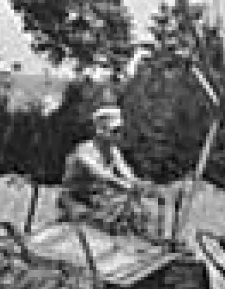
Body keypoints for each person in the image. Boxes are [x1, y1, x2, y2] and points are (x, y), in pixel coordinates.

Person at [58, 92, 162, 236]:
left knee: (138, 209)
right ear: (100, 130)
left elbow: (126, 172)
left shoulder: (113, 150)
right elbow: (103, 175)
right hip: (75, 201)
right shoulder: (84, 152)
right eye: (115, 131)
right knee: (117, 211)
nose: (119, 135)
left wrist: (140, 185)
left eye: (120, 131)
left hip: (98, 198)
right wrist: (127, 187)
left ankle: (143, 238)